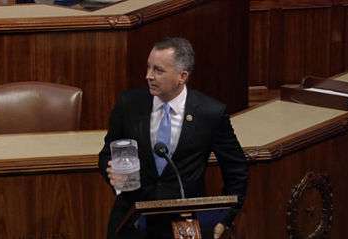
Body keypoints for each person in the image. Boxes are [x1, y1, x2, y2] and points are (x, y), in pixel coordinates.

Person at [98, 37, 248, 239]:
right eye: (149, 67)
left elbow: (236, 169)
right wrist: (112, 172)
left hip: (184, 224)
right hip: (131, 220)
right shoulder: (129, 104)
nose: (148, 76)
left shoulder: (210, 113)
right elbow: (107, 153)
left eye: (158, 70)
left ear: (182, 76)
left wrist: (225, 218)